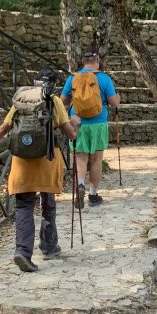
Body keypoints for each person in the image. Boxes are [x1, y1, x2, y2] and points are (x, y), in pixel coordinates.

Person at [0, 69, 80, 272]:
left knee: (24, 207)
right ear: (53, 84)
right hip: (46, 160)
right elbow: (71, 135)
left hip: (22, 161)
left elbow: (4, 128)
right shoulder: (54, 101)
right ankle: (48, 247)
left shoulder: (21, 99)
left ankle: (22, 251)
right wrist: (76, 123)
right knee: (48, 204)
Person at [61, 48, 121, 207]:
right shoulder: (103, 78)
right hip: (99, 123)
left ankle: (80, 184)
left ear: (83, 61)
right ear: (97, 61)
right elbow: (114, 102)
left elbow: (63, 101)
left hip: (78, 122)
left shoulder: (73, 78)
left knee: (80, 158)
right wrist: (117, 98)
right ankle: (93, 195)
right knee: (96, 159)